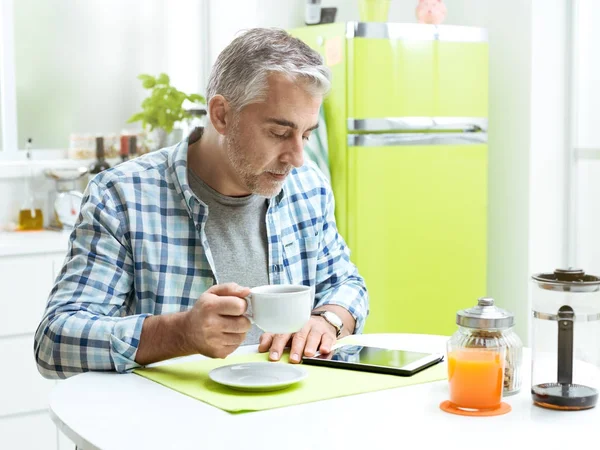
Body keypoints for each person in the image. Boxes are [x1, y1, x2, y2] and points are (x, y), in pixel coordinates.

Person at [34, 28, 369, 379]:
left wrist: (327, 319)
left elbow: (346, 284)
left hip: (284, 419)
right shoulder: (122, 196)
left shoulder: (308, 186)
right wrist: (180, 333)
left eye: (306, 134)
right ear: (221, 115)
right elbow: (55, 340)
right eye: (279, 133)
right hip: (169, 425)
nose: (297, 157)